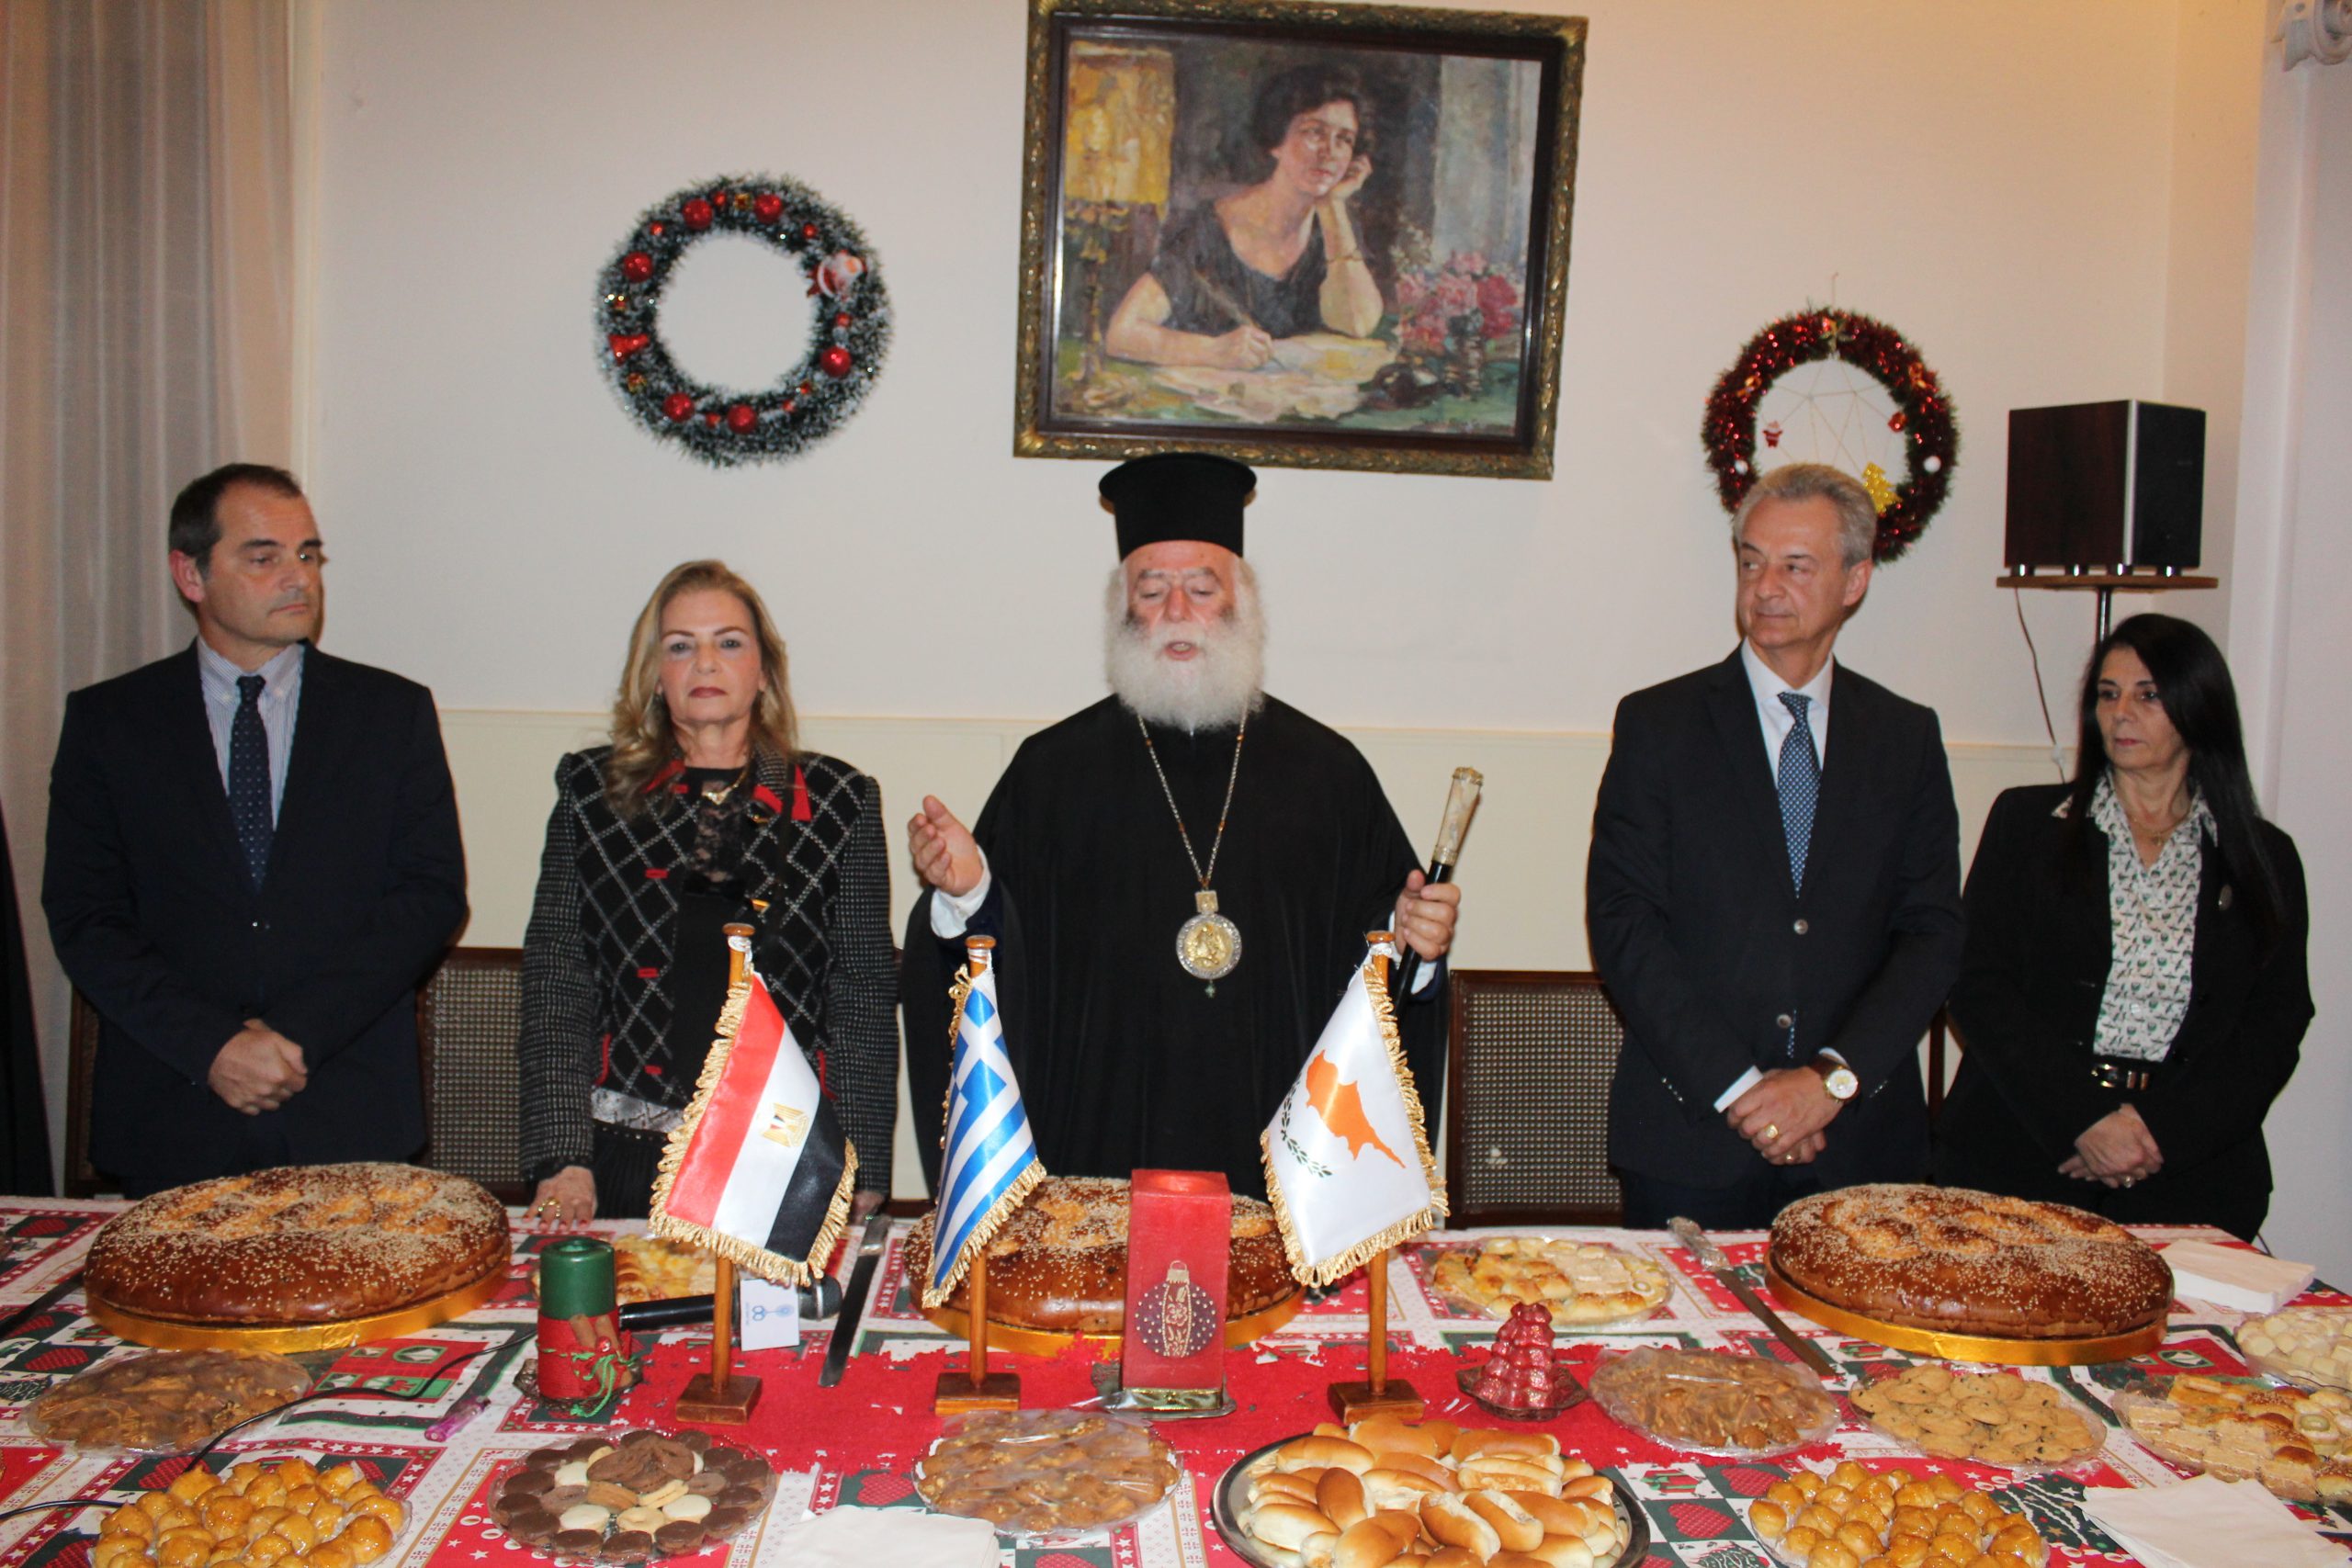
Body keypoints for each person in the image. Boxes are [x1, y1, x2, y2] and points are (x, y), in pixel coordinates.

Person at [899, 453, 1459, 1197]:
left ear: (1241, 604)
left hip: (1283, 1175)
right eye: (1151, 590)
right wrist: (970, 893)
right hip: (1097, 1166)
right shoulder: (1051, 772)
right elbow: (998, 976)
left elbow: (1379, 965)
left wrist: (1409, 934)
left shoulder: (1328, 774)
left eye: (1201, 588)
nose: (1176, 611)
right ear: (1122, 609)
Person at [43, 464, 467, 1196]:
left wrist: (294, 1037)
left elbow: (429, 896)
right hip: (172, 1113)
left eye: (308, 554)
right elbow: (86, 914)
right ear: (191, 573)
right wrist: (211, 1046)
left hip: (347, 1111)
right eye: (264, 557)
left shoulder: (390, 713)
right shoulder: (110, 722)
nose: (299, 577)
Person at [1586, 462, 1964, 1229]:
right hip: (1691, 1141)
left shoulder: (1905, 737)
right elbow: (1625, 923)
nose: (1765, 588)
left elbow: (1931, 934)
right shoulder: (1660, 725)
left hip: (1859, 1148)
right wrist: (1742, 1090)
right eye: (1752, 562)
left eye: (1796, 566)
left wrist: (1830, 1082)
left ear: (1855, 580)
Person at [519, 561, 896, 1224]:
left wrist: (863, 1158)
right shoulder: (592, 793)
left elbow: (861, 990)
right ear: (654, 675)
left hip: (784, 1155)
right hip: (624, 1155)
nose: (705, 663)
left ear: (764, 669)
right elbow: (558, 980)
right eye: (680, 645)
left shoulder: (840, 799)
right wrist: (561, 1155)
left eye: (728, 642)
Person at [1937, 615, 2310, 1239]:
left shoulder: (2261, 855)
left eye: (2148, 695)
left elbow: (2276, 1021)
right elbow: (1978, 985)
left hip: (2191, 1170)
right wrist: (2084, 1121)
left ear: (2199, 707)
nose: (2121, 714)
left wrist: (2158, 1133)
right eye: (2108, 694)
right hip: (2025, 1150)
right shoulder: (2027, 823)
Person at [1102, 63, 1385, 369]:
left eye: (1344, 139)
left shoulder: (1334, 228)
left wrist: (1332, 205)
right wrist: (1213, 351)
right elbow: (1122, 333)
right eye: (1315, 132)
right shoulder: (1210, 229)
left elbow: (1357, 324)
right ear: (1277, 140)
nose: (1329, 151)